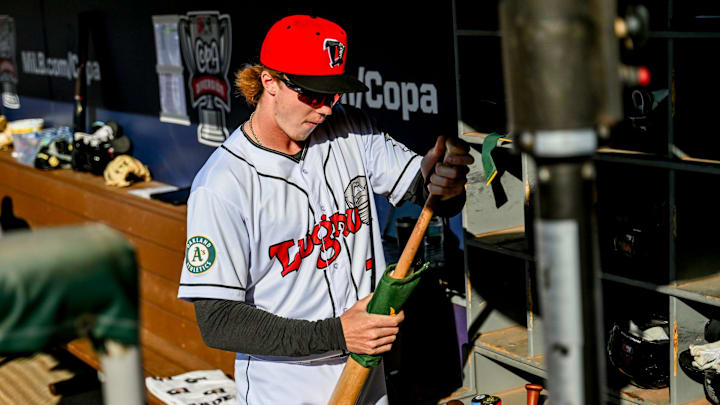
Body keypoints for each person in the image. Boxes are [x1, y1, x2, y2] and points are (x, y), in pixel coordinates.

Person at [178, 14, 473, 405]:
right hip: (284, 388)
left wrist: (445, 182)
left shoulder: (350, 129)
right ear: (269, 81)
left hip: (368, 377)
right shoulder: (223, 184)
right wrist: (339, 334)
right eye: (312, 94)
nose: (326, 108)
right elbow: (217, 321)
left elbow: (428, 195)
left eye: (333, 94)